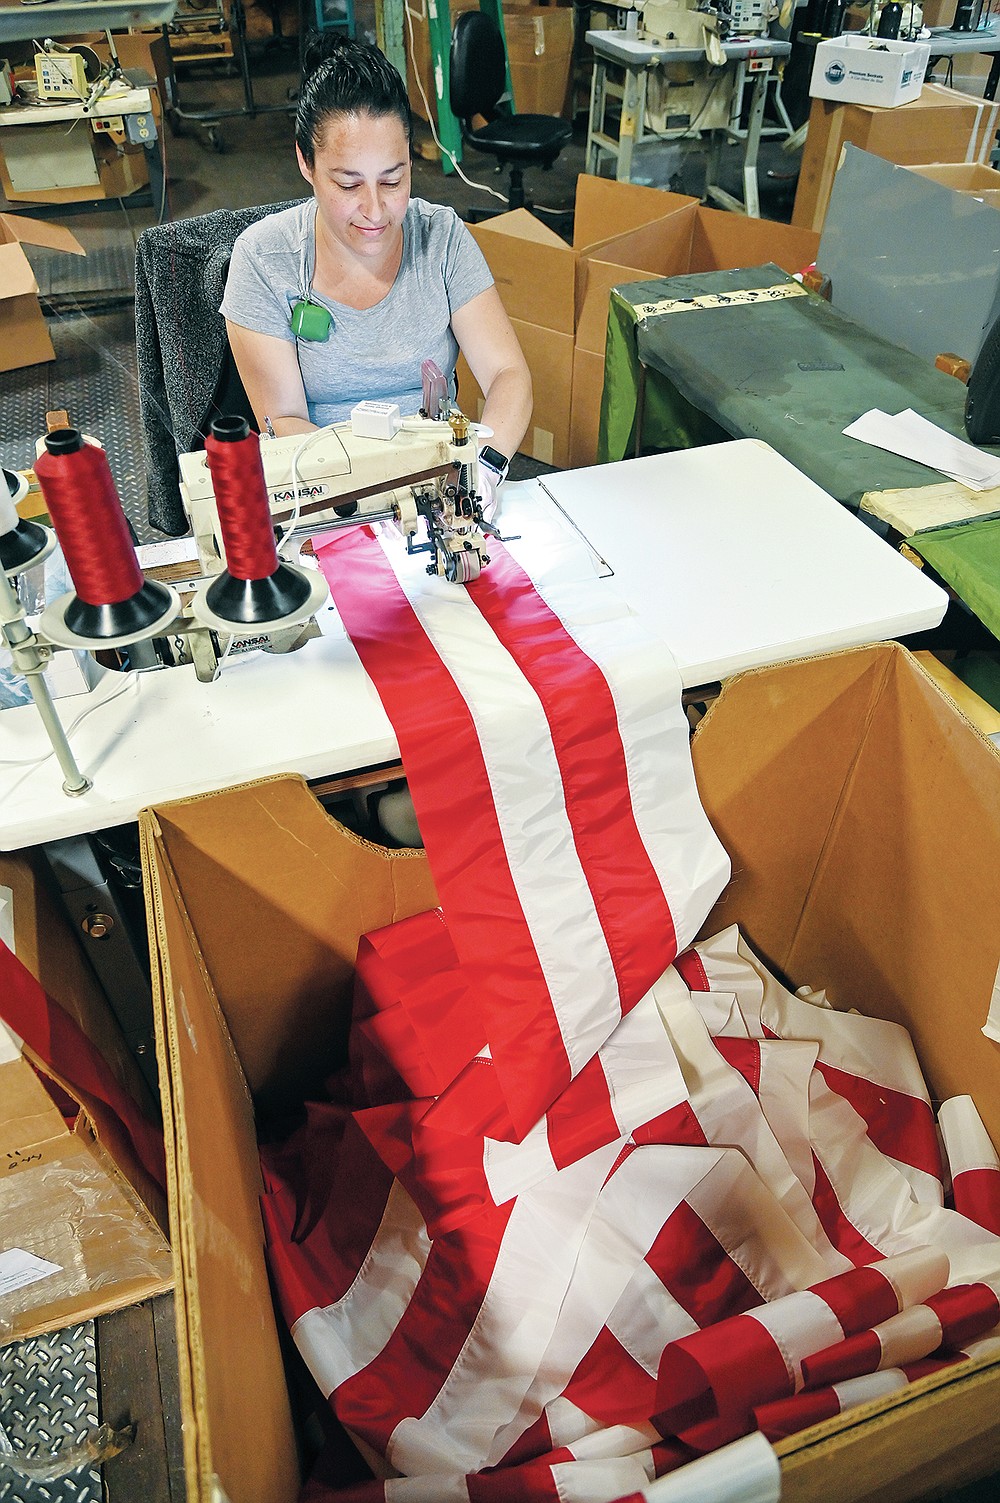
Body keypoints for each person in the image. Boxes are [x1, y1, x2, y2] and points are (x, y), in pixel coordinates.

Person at [220, 34, 532, 497]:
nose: (375, 211)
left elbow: (508, 375)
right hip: (329, 488)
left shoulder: (441, 239)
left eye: (393, 179)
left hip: (442, 481)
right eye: (348, 185)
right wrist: (378, 491)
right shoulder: (265, 262)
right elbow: (283, 420)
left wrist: (483, 467)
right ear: (306, 162)